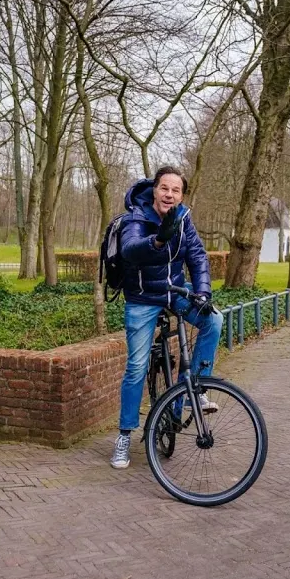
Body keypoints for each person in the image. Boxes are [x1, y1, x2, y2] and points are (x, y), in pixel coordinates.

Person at [110, 166, 224, 469]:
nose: (169, 195)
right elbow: (131, 251)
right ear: (154, 189)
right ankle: (124, 435)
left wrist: (202, 292)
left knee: (214, 320)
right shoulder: (137, 216)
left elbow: (197, 257)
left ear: (181, 195)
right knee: (135, 367)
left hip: (175, 291)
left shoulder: (184, 219)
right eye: (164, 188)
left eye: (175, 190)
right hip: (143, 298)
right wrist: (158, 241)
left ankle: (193, 391)